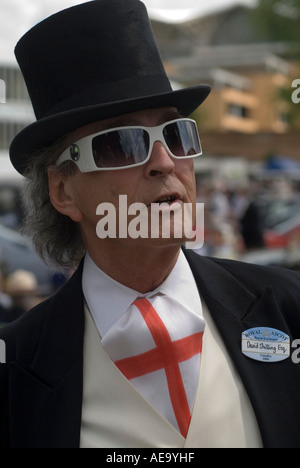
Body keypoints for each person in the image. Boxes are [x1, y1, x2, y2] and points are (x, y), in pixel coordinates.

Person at [0, 0, 300, 449]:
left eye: (177, 134)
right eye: (121, 144)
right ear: (63, 190)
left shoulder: (288, 308)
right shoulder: (15, 368)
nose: (165, 161)